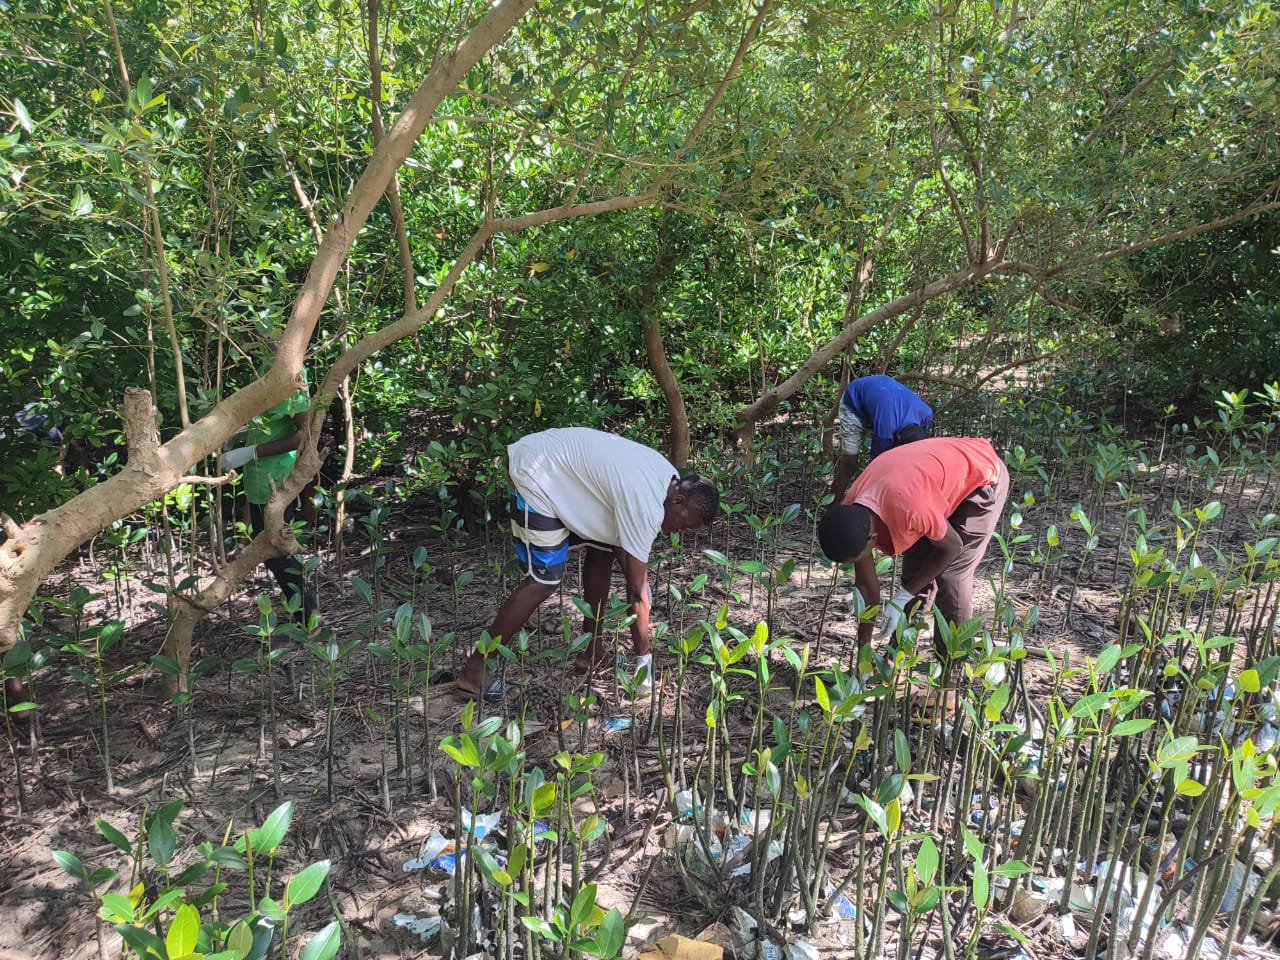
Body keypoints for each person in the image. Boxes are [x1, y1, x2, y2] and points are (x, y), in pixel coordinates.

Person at [457, 427, 720, 702]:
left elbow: (622, 550)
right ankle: (475, 670)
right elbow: (636, 593)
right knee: (544, 580)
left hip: (562, 473)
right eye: (684, 524)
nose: (679, 532)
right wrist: (644, 660)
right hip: (537, 472)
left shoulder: (668, 480)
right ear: (678, 501)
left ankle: (591, 652)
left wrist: (640, 586)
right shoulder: (647, 505)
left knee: (603, 549)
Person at [818, 437, 1009, 660]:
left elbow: (953, 546)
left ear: (873, 539)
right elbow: (867, 588)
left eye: (858, 558)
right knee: (915, 573)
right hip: (929, 484)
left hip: (980, 477)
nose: (860, 563)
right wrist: (864, 657)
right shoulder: (852, 512)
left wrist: (903, 597)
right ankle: (897, 658)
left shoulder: (910, 509)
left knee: (952, 576)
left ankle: (951, 673)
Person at [219, 378, 317, 628]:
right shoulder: (264, 371)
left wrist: (251, 452)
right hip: (259, 481)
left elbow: (304, 434)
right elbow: (270, 423)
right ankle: (306, 616)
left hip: (278, 480)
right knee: (273, 550)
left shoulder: (292, 378)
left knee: (279, 552)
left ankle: (308, 622)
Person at [832, 374, 933, 499]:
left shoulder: (926, 414)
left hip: (881, 395)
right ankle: (833, 504)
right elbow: (877, 466)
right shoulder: (885, 429)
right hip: (854, 399)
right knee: (849, 463)